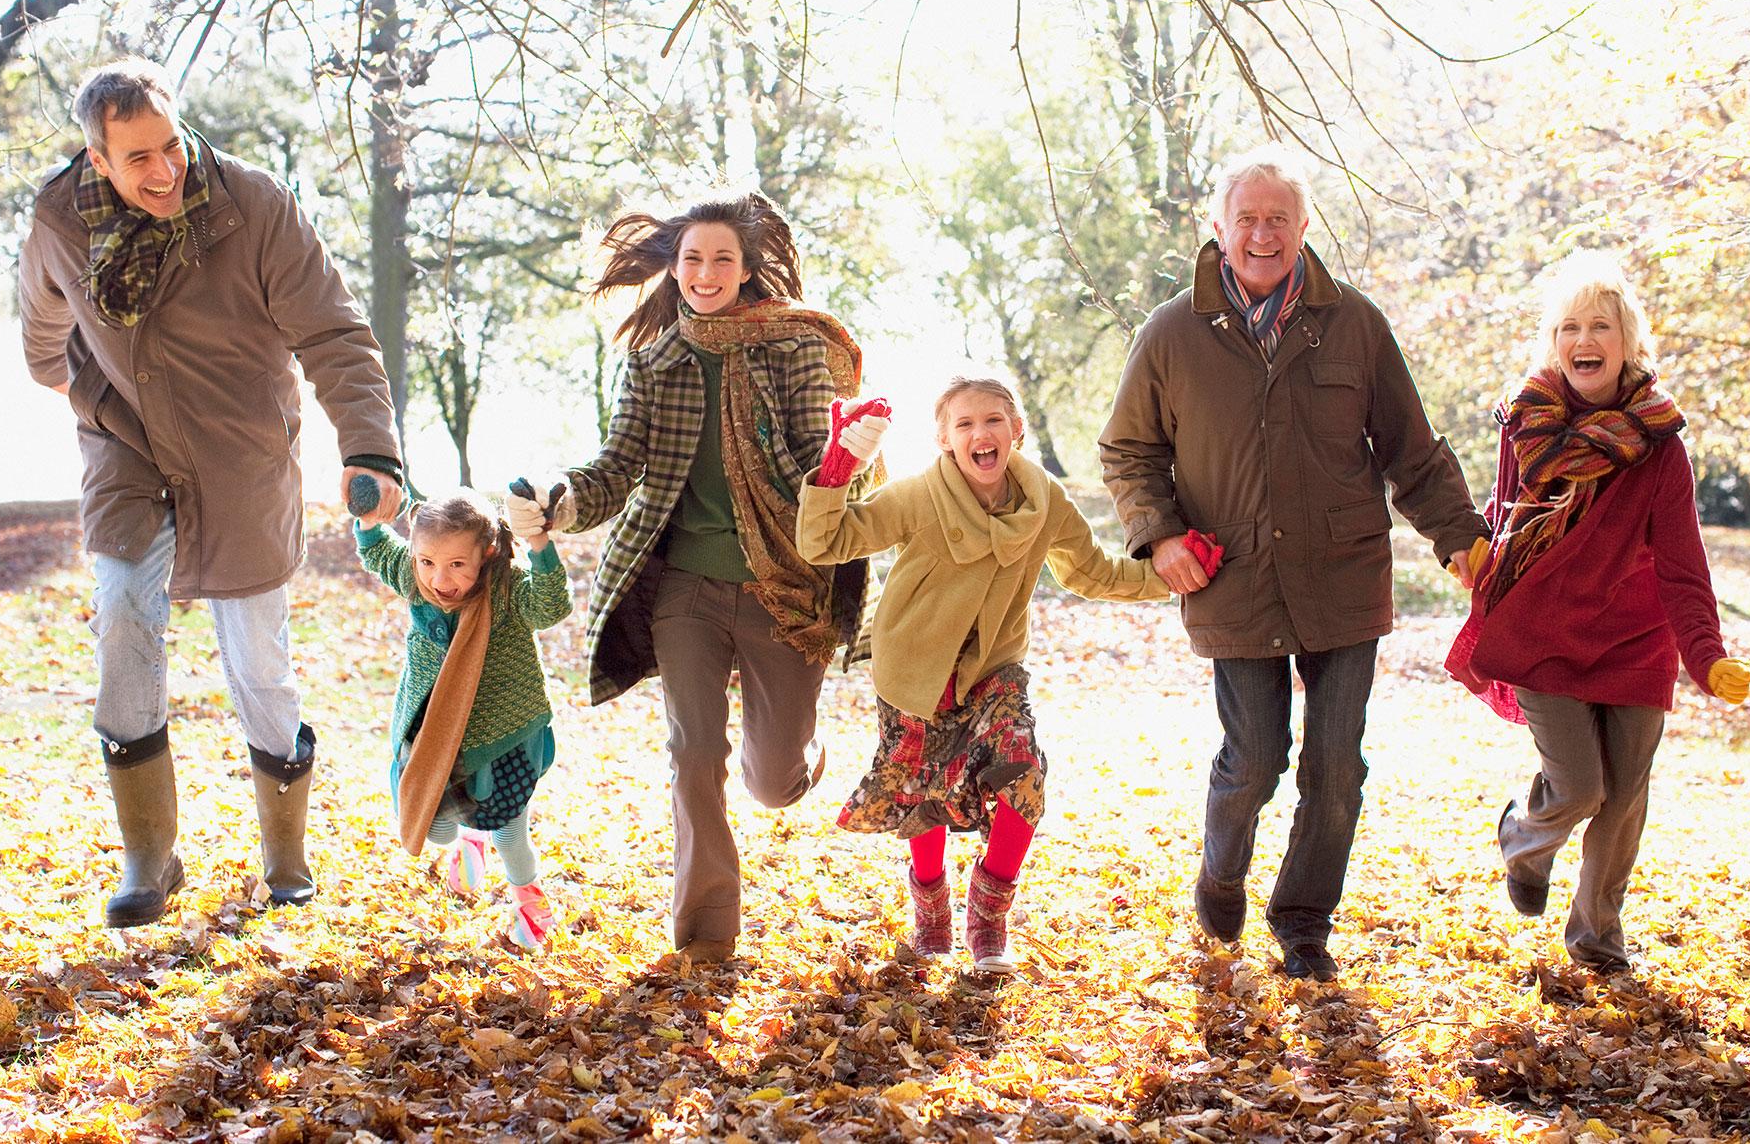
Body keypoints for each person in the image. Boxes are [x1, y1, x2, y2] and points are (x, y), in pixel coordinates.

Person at [18, 59, 403, 927]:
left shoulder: (253, 206)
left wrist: (370, 449)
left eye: (171, 146)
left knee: (258, 661)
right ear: (97, 159)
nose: (164, 172)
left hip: (241, 455)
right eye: (138, 159)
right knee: (120, 613)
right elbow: (44, 340)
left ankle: (285, 852)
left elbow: (336, 334)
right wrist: (87, 395)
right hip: (127, 449)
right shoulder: (57, 220)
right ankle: (150, 857)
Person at [1098, 143, 1490, 981]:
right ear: (1219, 228)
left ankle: (1304, 920)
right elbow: (1128, 450)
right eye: (1248, 219)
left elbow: (1411, 452)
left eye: (1280, 219)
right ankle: (1221, 871)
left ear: (1305, 227)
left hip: (1342, 575)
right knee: (1255, 760)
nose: (1264, 234)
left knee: (1335, 766)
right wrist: (1160, 536)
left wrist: (1457, 533)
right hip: (1231, 575)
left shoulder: (1354, 322)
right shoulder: (1171, 333)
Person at [510, 192, 870, 963]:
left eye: (722, 259)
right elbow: (619, 464)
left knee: (771, 781)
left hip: (783, 584)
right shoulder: (656, 361)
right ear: (674, 269)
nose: (706, 273)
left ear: (746, 271)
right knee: (692, 753)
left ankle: (792, 761)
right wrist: (561, 502)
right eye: (692, 259)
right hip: (684, 591)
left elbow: (817, 461)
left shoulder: (795, 350)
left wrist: (845, 461)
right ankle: (706, 935)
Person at [796, 378, 1170, 972]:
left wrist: (1171, 576)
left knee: (1024, 772)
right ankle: (933, 913)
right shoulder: (919, 496)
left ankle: (989, 916)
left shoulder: (1043, 500)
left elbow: (1091, 571)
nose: (981, 433)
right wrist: (839, 466)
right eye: (964, 424)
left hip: (994, 672)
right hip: (914, 671)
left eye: (994, 420)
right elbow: (824, 541)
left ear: (1016, 430)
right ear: (944, 439)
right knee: (925, 796)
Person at [1445, 257, 1750, 973]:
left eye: (1600, 326)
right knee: (1583, 787)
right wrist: (1475, 553)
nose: (1584, 339)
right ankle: (1523, 836)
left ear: (1627, 341)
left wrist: (1707, 656)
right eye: (1568, 327)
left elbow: (1682, 564)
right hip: (1541, 632)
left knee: (1623, 800)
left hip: (1634, 638)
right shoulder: (1527, 422)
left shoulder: (1660, 445)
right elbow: (1505, 516)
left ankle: (1595, 936)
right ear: (1553, 343)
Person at [355, 489, 572, 949]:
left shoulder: (506, 587)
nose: (440, 578)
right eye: (428, 561)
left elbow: (550, 607)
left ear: (487, 553)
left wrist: (539, 546)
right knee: (435, 827)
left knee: (509, 829)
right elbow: (377, 550)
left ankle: (530, 903)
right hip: (435, 731)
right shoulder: (415, 578)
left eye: (457, 564)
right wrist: (370, 518)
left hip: (502, 733)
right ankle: (469, 839)